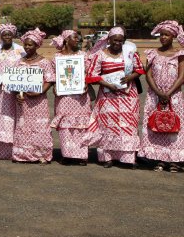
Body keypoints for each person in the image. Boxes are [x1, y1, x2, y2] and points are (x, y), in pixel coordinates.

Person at [86, 27, 144, 168]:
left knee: (128, 125)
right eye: (115, 40)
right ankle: (108, 158)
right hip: (107, 96)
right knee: (108, 126)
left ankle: (127, 158)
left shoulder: (129, 54)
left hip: (128, 96)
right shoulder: (100, 55)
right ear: (109, 40)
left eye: (120, 40)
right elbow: (91, 75)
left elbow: (140, 69)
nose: (117, 42)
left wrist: (130, 77)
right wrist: (107, 84)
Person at [140, 21, 184, 172]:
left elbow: (182, 76)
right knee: (156, 125)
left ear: (173, 36)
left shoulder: (180, 54)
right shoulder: (152, 53)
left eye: (167, 35)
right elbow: (148, 75)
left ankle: (175, 161)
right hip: (154, 95)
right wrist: (159, 93)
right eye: (162, 34)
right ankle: (159, 160)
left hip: (174, 96)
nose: (163, 37)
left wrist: (169, 93)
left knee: (174, 127)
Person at [12, 28, 55, 163]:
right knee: (23, 127)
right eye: (25, 44)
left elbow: (50, 80)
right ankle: (22, 155)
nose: (27, 47)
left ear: (37, 45)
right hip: (23, 102)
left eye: (30, 45)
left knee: (40, 128)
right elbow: (13, 82)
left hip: (38, 102)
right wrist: (17, 94)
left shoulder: (44, 62)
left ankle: (42, 155)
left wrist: (40, 91)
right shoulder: (19, 62)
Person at [50, 30, 92, 165]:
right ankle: (67, 155)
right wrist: (55, 86)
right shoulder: (56, 57)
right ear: (66, 40)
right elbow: (52, 76)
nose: (78, 40)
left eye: (78, 38)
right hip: (64, 97)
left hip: (80, 97)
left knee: (81, 126)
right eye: (75, 38)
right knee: (65, 126)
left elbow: (90, 73)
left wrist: (86, 82)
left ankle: (81, 156)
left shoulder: (84, 56)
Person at [0, 24, 25, 159]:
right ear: (0, 36)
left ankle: (14, 149)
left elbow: (25, 67)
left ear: (13, 35)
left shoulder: (20, 50)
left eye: (9, 34)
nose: (7, 37)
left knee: (11, 118)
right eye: (4, 34)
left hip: (14, 91)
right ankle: (0, 151)